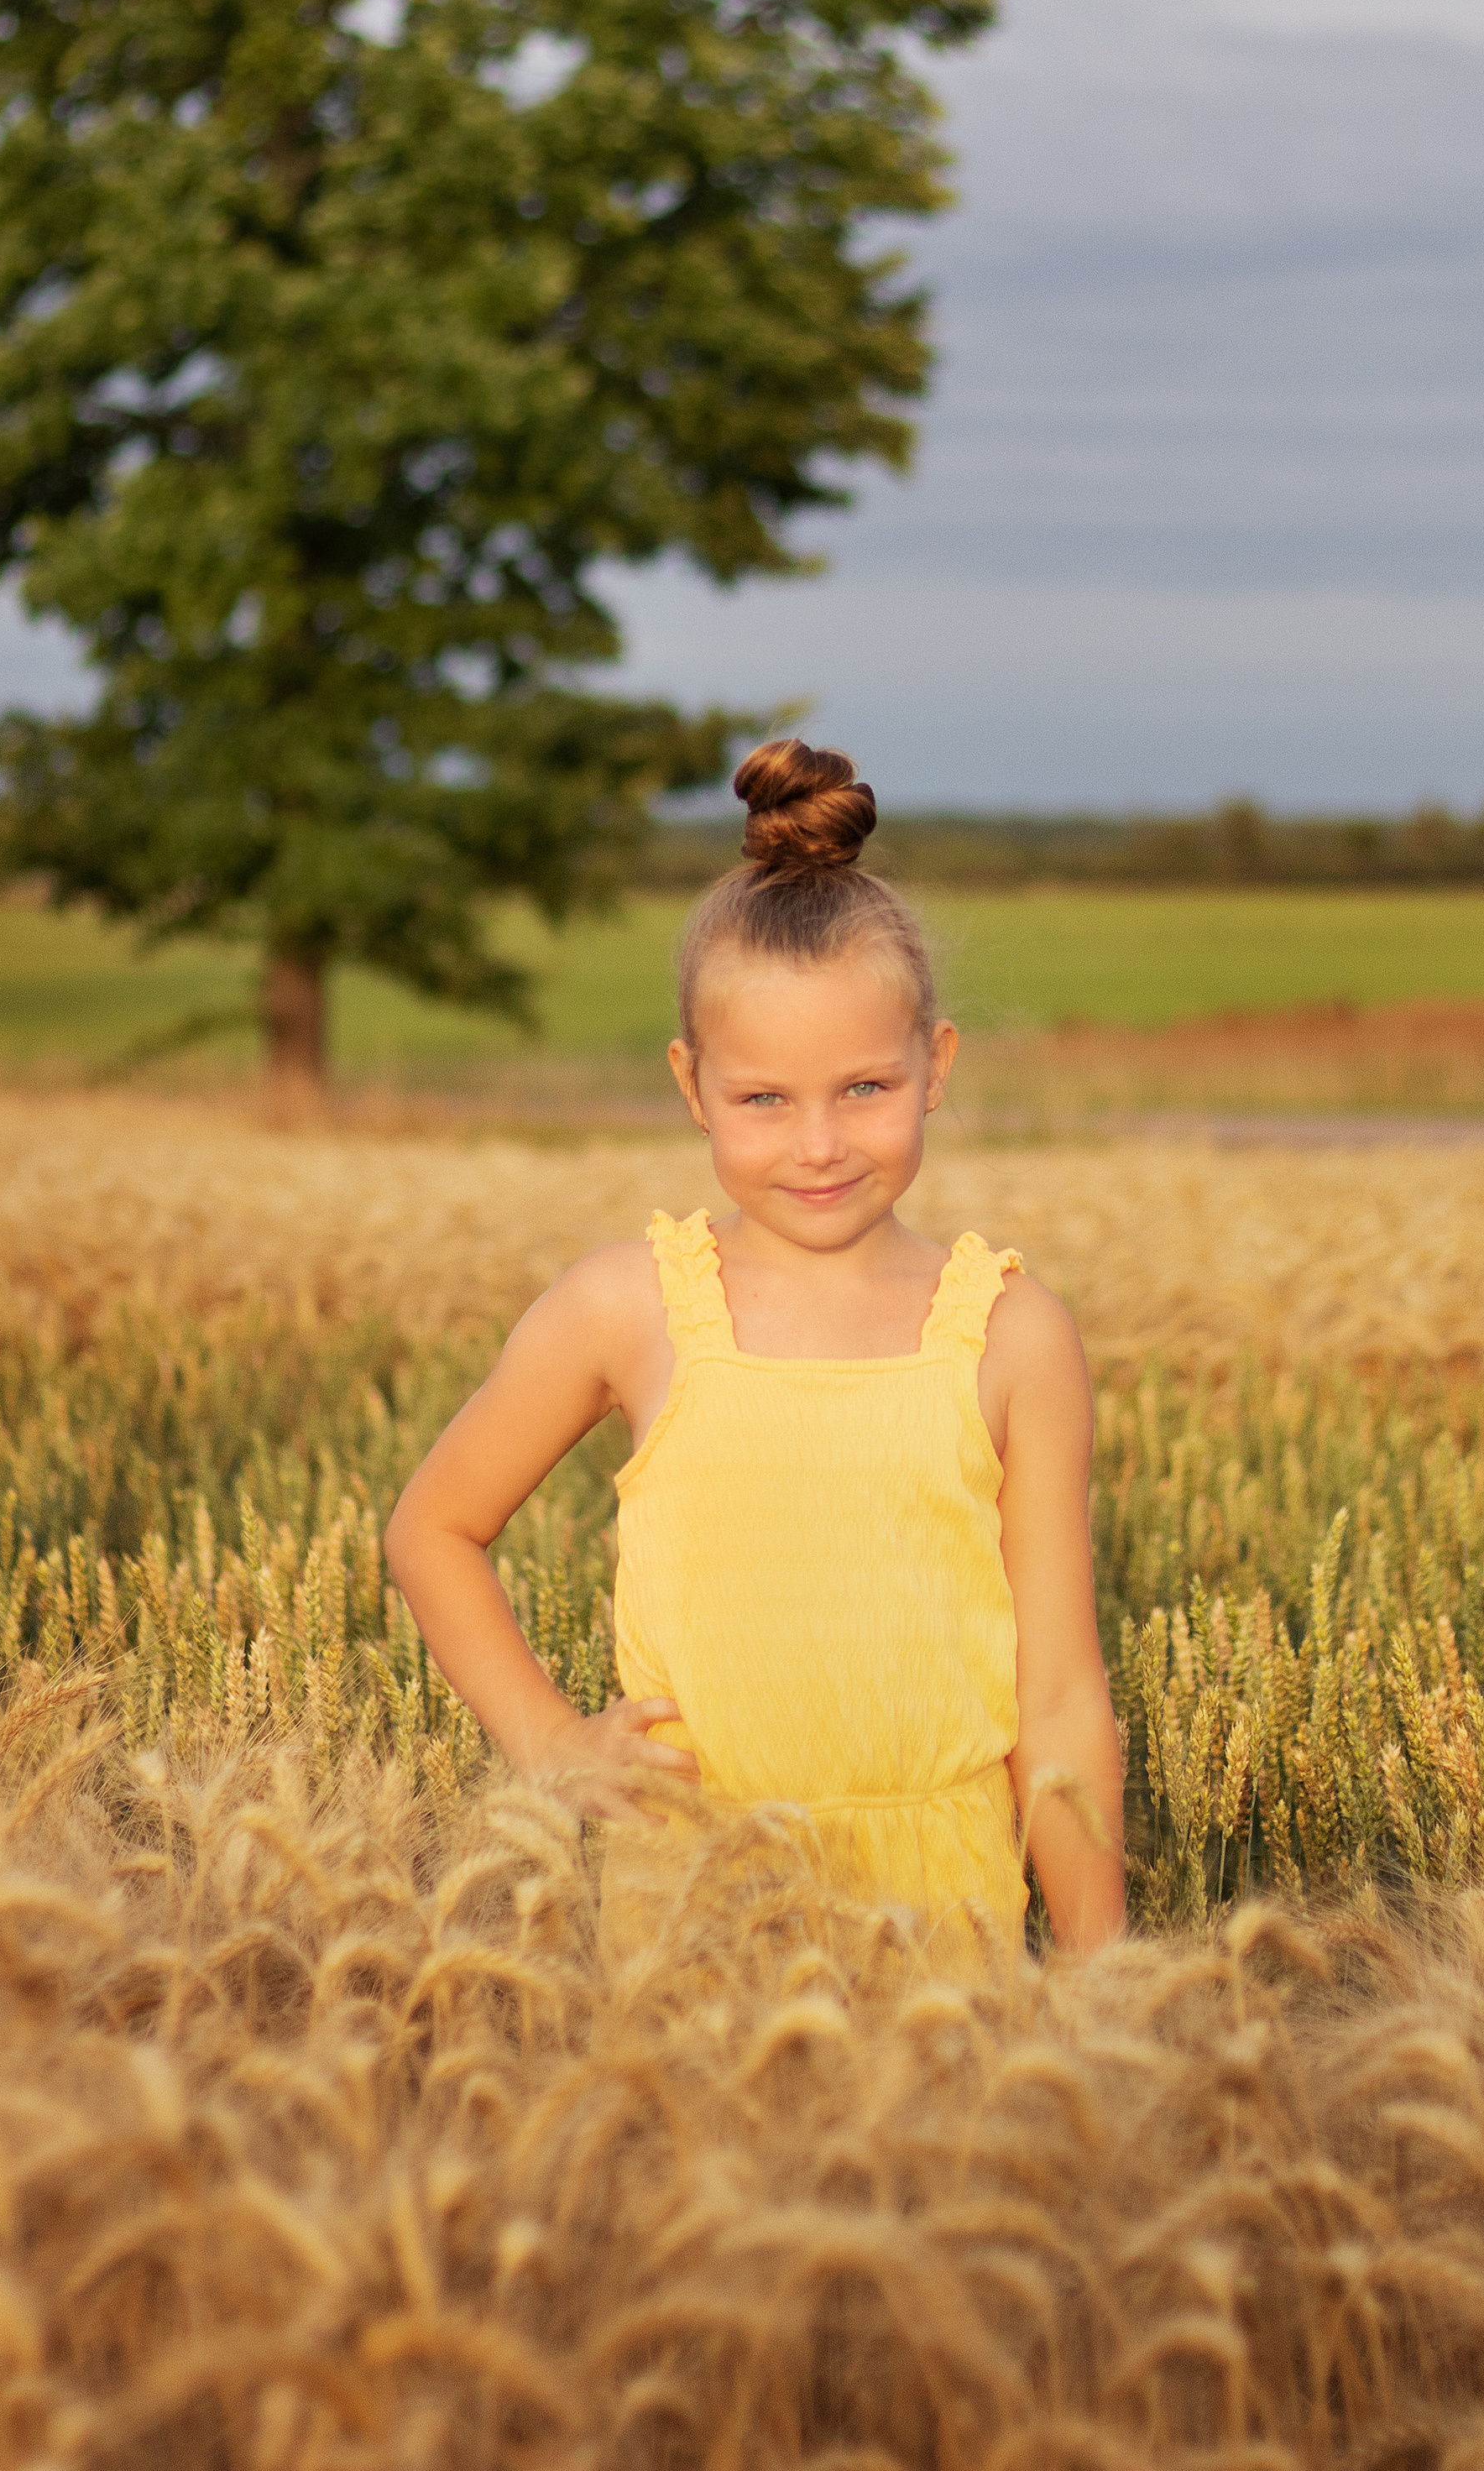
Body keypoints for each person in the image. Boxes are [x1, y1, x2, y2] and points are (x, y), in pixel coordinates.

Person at [384, 737, 1126, 1957]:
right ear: (693, 1086)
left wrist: (1105, 1982)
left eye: (865, 1089)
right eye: (764, 1100)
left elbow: (1058, 1696)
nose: (819, 1145)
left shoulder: (1011, 1335)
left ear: (936, 1067)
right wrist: (552, 1745)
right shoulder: (629, 1308)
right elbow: (433, 1529)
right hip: (695, 1902)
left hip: (941, 1915)